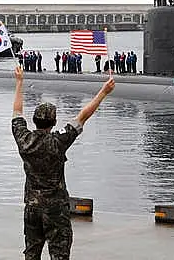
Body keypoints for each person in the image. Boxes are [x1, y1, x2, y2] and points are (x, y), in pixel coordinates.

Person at [12, 65, 115, 260]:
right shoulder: (58, 140)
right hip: (55, 208)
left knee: (31, 253)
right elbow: (83, 116)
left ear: (34, 121)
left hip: (32, 207)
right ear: (53, 122)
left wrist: (19, 82)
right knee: (59, 254)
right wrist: (104, 91)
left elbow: (17, 113)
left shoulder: (23, 139)